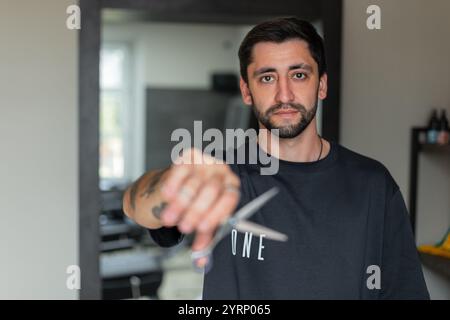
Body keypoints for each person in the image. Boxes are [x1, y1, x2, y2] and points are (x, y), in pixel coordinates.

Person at [123, 17, 429, 299]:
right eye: (267, 78)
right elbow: (137, 206)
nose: (284, 95)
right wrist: (170, 183)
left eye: (298, 75)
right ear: (246, 90)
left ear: (321, 84)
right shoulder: (222, 176)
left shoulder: (373, 184)